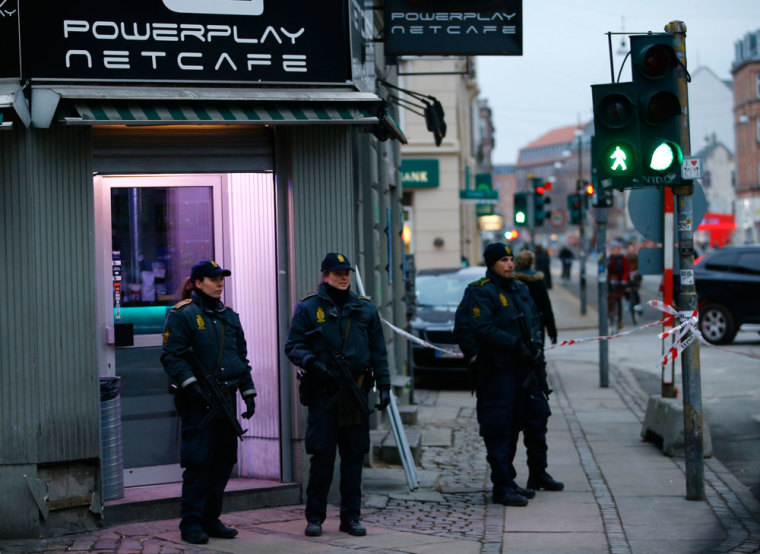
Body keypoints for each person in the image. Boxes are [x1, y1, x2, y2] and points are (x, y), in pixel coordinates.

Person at [285, 252, 391, 538]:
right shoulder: (308, 308)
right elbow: (293, 345)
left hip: (355, 391)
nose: (344, 278)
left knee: (354, 457)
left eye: (347, 273)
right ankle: (315, 517)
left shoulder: (365, 309)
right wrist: (312, 364)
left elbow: (378, 350)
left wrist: (384, 385)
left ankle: (351, 517)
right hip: (324, 392)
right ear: (325, 275)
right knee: (322, 457)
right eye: (338, 273)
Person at [454, 243, 562, 508]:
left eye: (511, 259)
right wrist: (514, 346)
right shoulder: (480, 292)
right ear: (492, 264)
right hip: (498, 371)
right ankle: (502, 485)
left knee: (532, 418)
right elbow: (481, 328)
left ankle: (525, 477)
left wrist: (536, 345)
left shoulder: (520, 289)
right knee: (500, 427)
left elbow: (533, 320)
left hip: (525, 369)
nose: (510, 264)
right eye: (504, 260)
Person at [161, 260, 257, 545]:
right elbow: (172, 356)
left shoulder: (230, 317)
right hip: (197, 402)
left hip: (224, 400)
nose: (219, 284)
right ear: (197, 283)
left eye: (221, 279)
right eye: (213, 279)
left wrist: (248, 392)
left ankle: (210, 518)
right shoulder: (183, 314)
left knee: (224, 460)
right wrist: (191, 386)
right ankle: (191, 523)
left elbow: (239, 358)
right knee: (198, 462)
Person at [514, 250, 558, 345]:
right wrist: (552, 332)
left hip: (517, 326)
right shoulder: (537, 281)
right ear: (532, 262)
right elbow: (546, 308)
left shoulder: (512, 281)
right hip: (536, 325)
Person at [607, 241, 631, 330]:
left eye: (617, 249)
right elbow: (607, 270)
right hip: (611, 282)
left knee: (619, 300)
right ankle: (610, 315)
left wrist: (624, 280)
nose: (615, 251)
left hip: (620, 283)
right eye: (614, 249)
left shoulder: (623, 258)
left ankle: (620, 319)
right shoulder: (610, 258)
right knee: (609, 300)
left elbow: (626, 270)